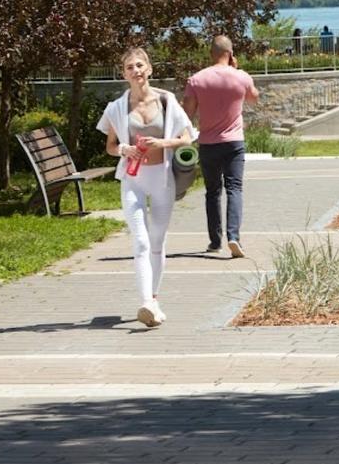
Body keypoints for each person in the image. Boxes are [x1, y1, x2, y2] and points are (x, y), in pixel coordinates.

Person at [96, 47, 197, 327]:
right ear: (124, 74)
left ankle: (154, 296)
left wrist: (163, 144)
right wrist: (124, 150)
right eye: (130, 67)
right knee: (139, 241)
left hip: (162, 178)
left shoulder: (167, 101)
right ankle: (146, 304)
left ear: (149, 69)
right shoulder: (117, 107)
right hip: (132, 180)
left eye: (140, 65)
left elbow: (188, 137)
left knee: (157, 241)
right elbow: (110, 146)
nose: (136, 71)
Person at [182, 35, 259, 259]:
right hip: (234, 143)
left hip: (208, 143)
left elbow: (187, 113)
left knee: (213, 192)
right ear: (230, 53)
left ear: (211, 54)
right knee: (234, 188)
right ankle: (233, 236)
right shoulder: (241, 77)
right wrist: (238, 72)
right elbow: (254, 98)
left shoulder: (196, 80)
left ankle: (215, 241)